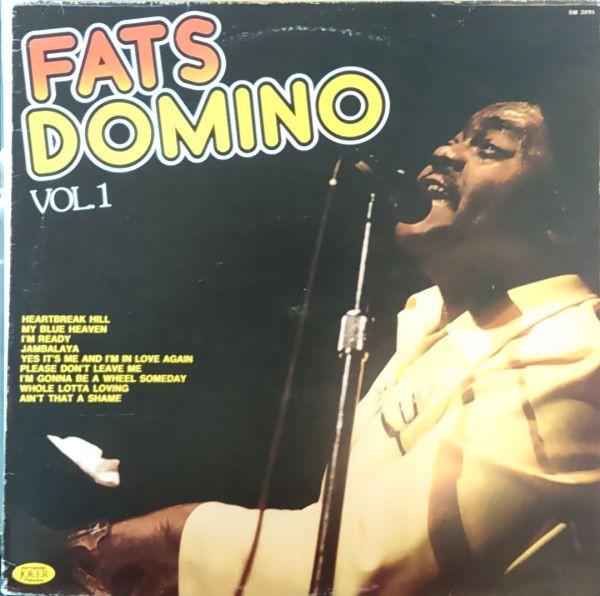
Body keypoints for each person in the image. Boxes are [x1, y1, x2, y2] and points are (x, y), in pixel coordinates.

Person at [85, 102, 600, 595]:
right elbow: (340, 529)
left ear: (564, 219)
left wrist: (174, 537)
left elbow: (371, 567)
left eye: (489, 147)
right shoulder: (433, 323)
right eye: (456, 138)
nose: (445, 152)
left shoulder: (574, 353)